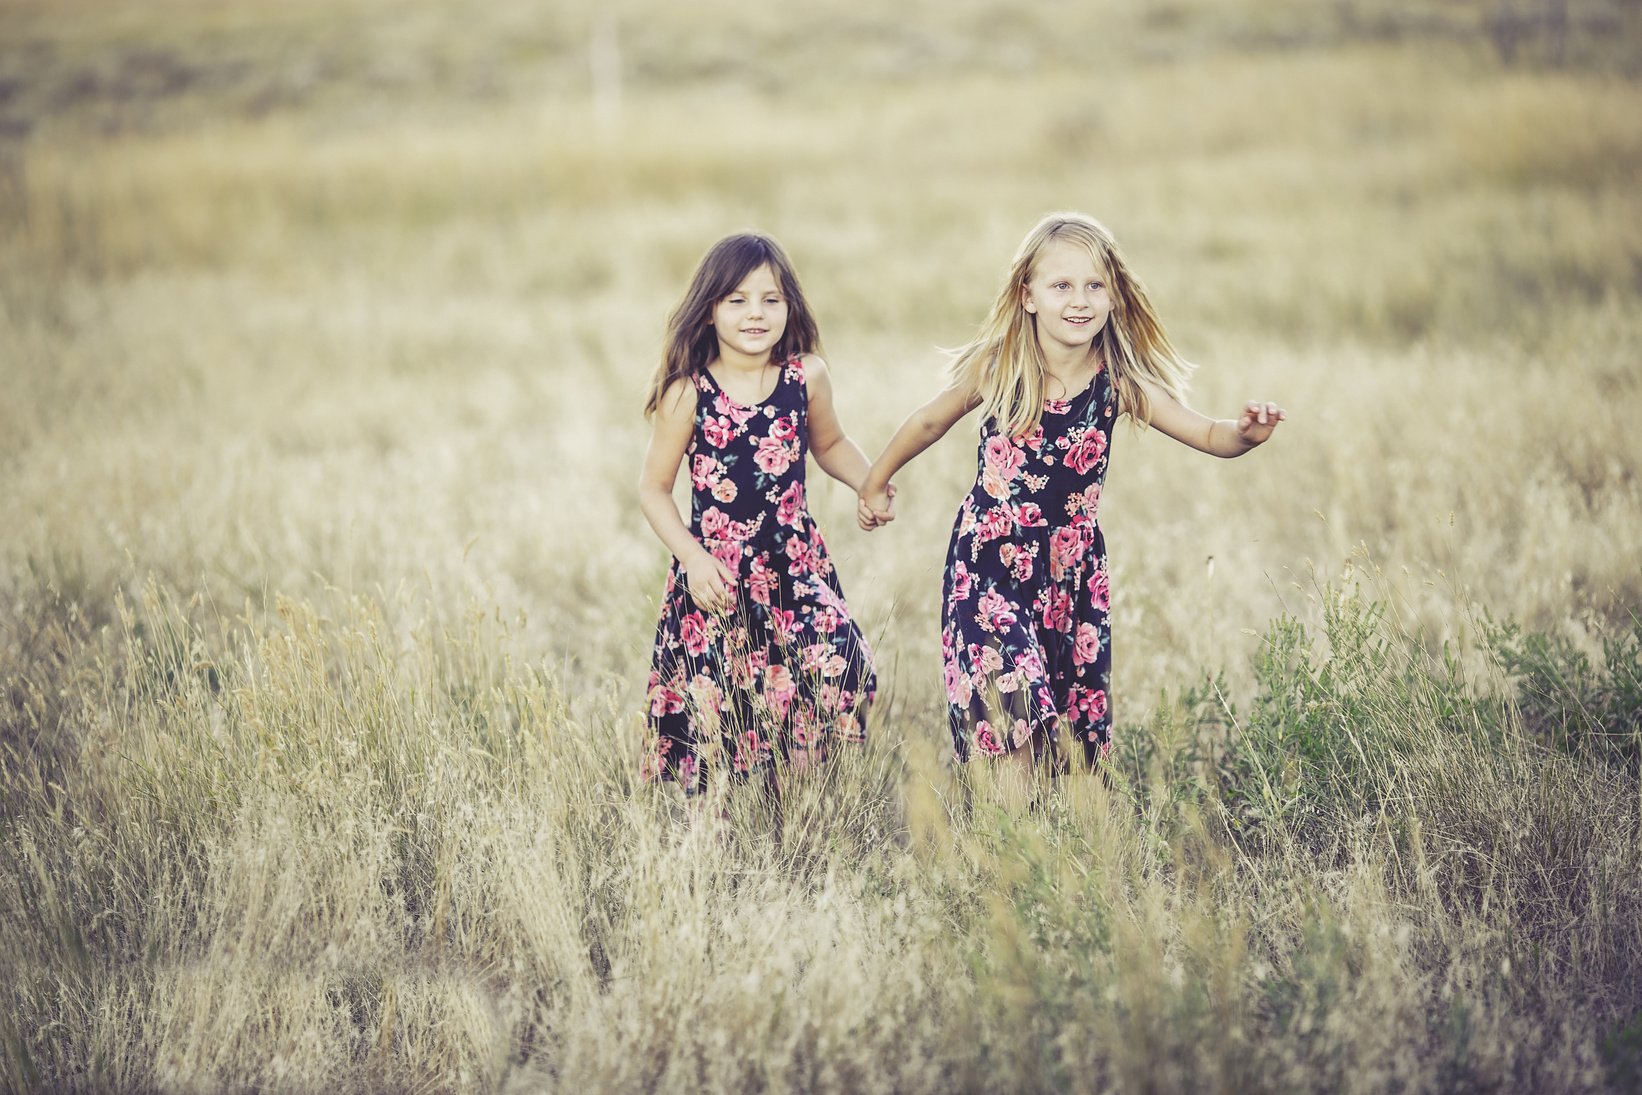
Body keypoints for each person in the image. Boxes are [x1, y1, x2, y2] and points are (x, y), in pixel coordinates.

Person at [857, 212, 1284, 793]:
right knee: (1008, 694)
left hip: (1069, 575)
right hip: (989, 563)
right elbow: (930, 421)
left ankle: (1044, 853)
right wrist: (876, 479)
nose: (1079, 300)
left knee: (1066, 736)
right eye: (1061, 286)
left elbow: (1207, 434)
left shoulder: (1119, 380)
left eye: (1094, 285)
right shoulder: (1002, 364)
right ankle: (1006, 841)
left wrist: (1245, 433)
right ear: (1027, 295)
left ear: (1113, 295)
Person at [639, 232, 879, 798]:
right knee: (728, 708)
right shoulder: (688, 393)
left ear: (789, 305)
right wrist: (693, 561)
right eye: (738, 300)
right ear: (709, 312)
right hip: (718, 576)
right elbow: (653, 489)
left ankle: (802, 806)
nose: (756, 314)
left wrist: (870, 483)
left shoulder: (806, 377)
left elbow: (832, 444)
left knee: (843, 667)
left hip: (796, 566)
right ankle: (729, 829)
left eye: (771, 299)